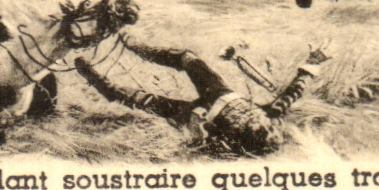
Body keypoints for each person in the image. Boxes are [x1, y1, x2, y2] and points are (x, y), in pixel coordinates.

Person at [75, 38, 329, 156]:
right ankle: (136, 47)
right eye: (258, 119)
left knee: (133, 98)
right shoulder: (272, 114)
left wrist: (198, 124)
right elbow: (294, 91)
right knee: (188, 57)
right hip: (219, 92)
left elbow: (199, 143)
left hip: (199, 113)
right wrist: (313, 63)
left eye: (248, 123)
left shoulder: (230, 141)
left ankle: (90, 74)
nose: (252, 117)